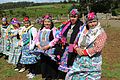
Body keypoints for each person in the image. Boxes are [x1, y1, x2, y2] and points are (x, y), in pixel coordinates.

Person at [65, 11, 107, 80]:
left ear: (97, 21)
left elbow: (97, 48)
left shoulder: (101, 33)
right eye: (90, 22)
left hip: (92, 61)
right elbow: (75, 41)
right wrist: (77, 49)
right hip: (79, 60)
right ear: (87, 23)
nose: (93, 24)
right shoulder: (82, 30)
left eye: (94, 21)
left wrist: (83, 52)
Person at [45, 9, 83, 79]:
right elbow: (59, 35)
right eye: (71, 16)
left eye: (75, 17)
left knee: (71, 65)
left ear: (78, 17)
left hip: (74, 49)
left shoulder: (81, 26)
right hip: (65, 47)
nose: (72, 18)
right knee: (63, 64)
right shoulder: (66, 25)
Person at [35, 14, 58, 79]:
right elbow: (36, 38)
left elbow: (56, 39)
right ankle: (46, 75)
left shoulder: (53, 29)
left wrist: (48, 46)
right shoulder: (41, 29)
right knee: (44, 62)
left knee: (50, 63)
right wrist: (38, 45)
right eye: (45, 22)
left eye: (48, 22)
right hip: (41, 49)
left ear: (51, 22)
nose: (47, 23)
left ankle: (52, 76)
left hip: (50, 49)